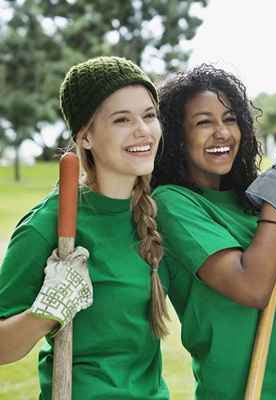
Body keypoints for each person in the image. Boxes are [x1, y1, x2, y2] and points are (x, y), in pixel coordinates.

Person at [0, 56, 170, 399]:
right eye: (122, 119)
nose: (142, 129)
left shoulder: (160, 211)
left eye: (149, 115)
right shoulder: (48, 225)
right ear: (86, 136)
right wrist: (46, 312)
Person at [151, 64, 276, 400]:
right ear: (177, 138)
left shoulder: (248, 201)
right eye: (203, 122)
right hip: (236, 392)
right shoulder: (172, 203)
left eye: (230, 119)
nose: (222, 132)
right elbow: (252, 288)